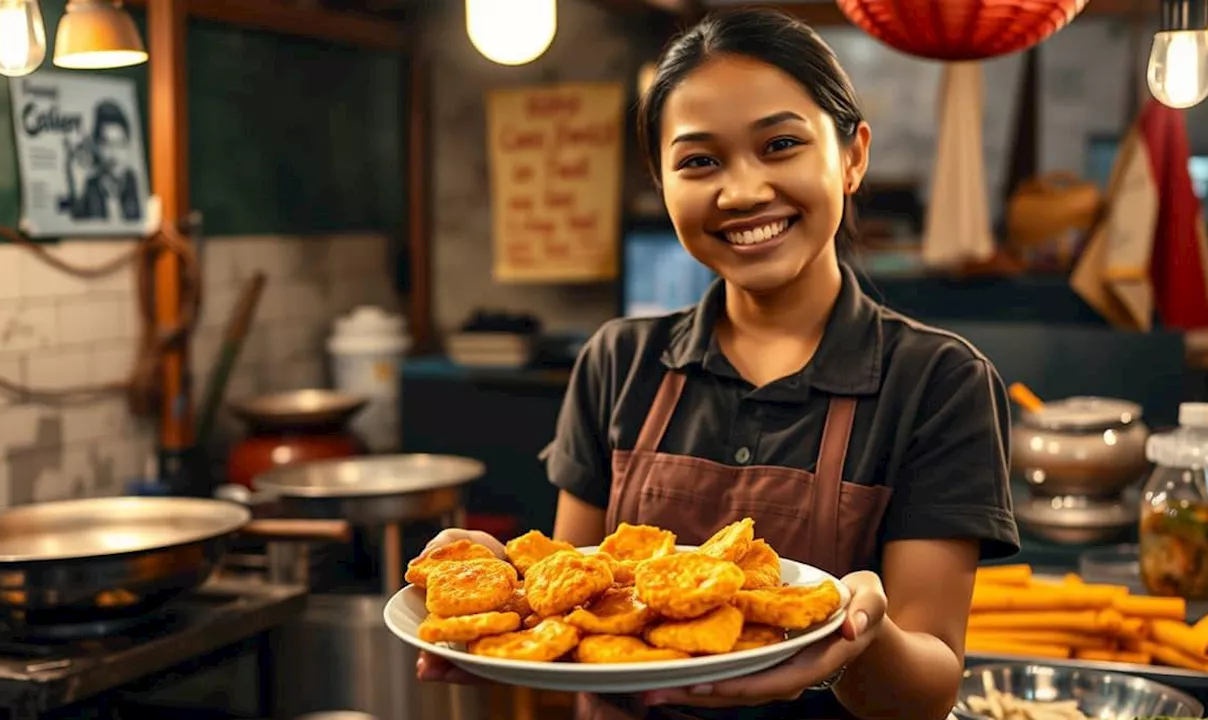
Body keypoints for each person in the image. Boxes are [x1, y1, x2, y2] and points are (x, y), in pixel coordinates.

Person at [417, 8, 1019, 719]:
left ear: (853, 155)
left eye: (781, 144)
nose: (742, 192)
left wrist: (863, 629)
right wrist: (506, 586)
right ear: (662, 180)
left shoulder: (941, 383)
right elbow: (570, 617)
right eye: (700, 160)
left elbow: (926, 693)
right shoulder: (618, 361)